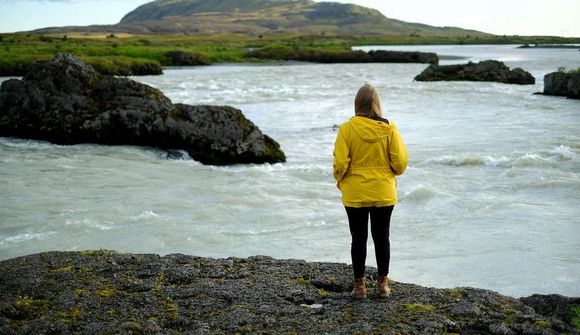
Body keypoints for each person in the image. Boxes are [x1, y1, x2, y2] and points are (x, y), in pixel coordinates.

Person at [333, 84, 408, 299]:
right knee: (382, 237)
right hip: (383, 192)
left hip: (355, 193)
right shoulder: (389, 128)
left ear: (357, 104)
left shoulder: (346, 129)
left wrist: (340, 178)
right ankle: (383, 285)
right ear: (377, 104)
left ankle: (359, 287)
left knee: (358, 238)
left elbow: (340, 163)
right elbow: (400, 163)